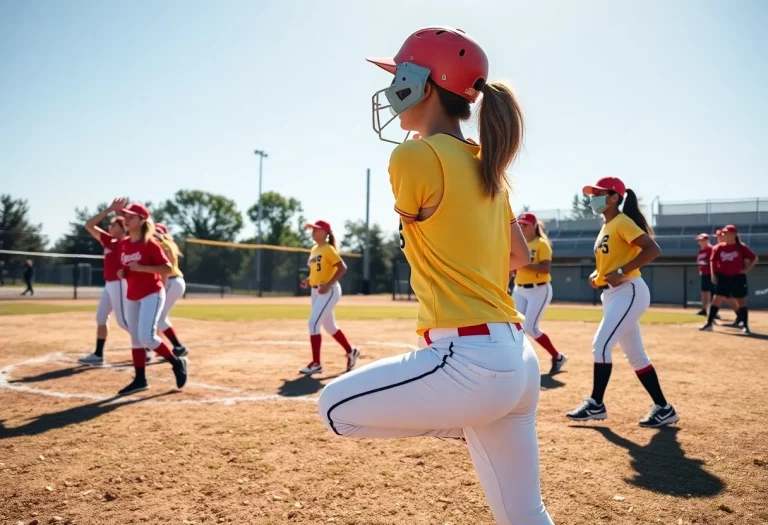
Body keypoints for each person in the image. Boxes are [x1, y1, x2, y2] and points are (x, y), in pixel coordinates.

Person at [318, 27, 554, 524]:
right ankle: (474, 415)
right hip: (516, 357)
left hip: (471, 362)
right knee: (525, 516)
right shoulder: (485, 161)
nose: (390, 87)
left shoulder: (414, 156)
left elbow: (429, 212)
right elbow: (517, 255)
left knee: (334, 409)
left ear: (424, 83)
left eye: (399, 74)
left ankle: (469, 418)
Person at [566, 177, 678, 428]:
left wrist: (623, 271)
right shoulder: (607, 226)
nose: (593, 197)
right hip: (614, 294)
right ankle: (664, 408)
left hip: (630, 291)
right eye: (592, 193)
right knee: (636, 355)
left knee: (601, 345)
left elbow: (652, 249)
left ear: (614, 196)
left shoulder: (621, 222)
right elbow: (609, 264)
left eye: (598, 193)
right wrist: (599, 276)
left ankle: (596, 403)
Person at [115, 199, 188, 396]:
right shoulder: (123, 244)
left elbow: (167, 268)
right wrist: (123, 273)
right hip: (132, 294)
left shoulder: (150, 244)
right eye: (125, 216)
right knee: (135, 338)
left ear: (142, 220)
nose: (126, 219)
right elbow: (125, 267)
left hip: (152, 293)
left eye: (131, 217)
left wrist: (143, 268)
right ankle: (140, 379)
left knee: (147, 337)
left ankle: (176, 362)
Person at [299, 220, 360, 375]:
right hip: (316, 291)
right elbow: (316, 271)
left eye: (316, 229)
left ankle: (316, 364)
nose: (313, 231)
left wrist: (328, 284)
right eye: (312, 229)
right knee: (329, 326)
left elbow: (342, 268)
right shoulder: (314, 249)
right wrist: (308, 280)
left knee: (313, 323)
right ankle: (351, 351)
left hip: (329, 290)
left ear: (325, 233)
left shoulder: (328, 249)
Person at [512, 212, 567, 374]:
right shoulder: (516, 243)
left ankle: (557, 356)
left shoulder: (541, 244)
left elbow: (545, 269)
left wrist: (523, 263)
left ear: (534, 226)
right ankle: (520, 362)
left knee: (530, 328)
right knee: (514, 326)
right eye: (520, 224)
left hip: (539, 289)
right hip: (519, 289)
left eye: (525, 224)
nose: (522, 227)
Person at [79, 199, 130, 365]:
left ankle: (147, 345)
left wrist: (124, 214)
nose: (110, 227)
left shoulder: (125, 242)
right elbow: (89, 225)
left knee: (123, 321)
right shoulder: (109, 240)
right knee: (101, 317)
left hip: (120, 283)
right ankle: (98, 355)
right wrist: (109, 210)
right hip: (109, 284)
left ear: (123, 229)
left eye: (114, 225)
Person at [700, 224, 758, 335]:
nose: (724, 235)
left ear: (734, 235)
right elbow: (712, 261)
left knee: (741, 301)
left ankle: (745, 326)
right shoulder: (719, 247)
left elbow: (754, 258)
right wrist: (713, 275)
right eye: (724, 233)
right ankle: (708, 324)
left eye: (726, 233)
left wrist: (747, 269)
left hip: (738, 277)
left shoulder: (741, 247)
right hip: (723, 277)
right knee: (716, 299)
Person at [153, 223, 188, 358]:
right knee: (160, 316)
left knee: (159, 317)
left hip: (170, 281)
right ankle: (160, 345)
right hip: (176, 281)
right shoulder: (170, 243)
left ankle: (178, 346)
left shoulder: (161, 244)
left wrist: (162, 285)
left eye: (156, 231)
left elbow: (164, 268)